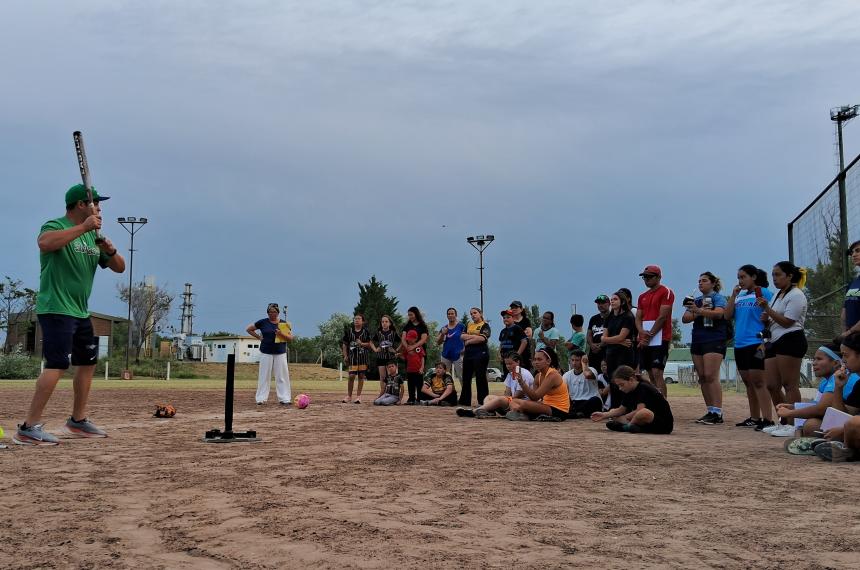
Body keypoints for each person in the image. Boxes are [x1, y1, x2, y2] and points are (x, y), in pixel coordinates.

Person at [14, 185, 126, 446]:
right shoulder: (55, 225)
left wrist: (109, 250)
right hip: (56, 308)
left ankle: (78, 420)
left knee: (87, 363)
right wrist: (83, 228)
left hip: (80, 311)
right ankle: (28, 427)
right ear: (80, 205)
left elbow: (120, 268)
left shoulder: (94, 237)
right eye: (95, 203)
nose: (99, 208)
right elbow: (45, 243)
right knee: (57, 365)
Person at [757, 261, 808, 437]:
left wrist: (767, 309)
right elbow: (774, 318)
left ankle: (795, 424)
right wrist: (766, 317)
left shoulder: (796, 295)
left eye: (778, 275)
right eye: (773, 275)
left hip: (791, 339)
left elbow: (787, 321)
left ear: (790, 276)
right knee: (772, 385)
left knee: (790, 384)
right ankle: (783, 421)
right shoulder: (778, 295)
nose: (774, 278)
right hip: (774, 340)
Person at [724, 265, 774, 429]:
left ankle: (768, 419)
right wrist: (733, 295)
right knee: (748, 382)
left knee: (759, 382)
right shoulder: (740, 296)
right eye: (738, 277)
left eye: (743, 277)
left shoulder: (764, 292)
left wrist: (765, 333)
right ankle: (754, 417)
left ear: (753, 277)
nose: (740, 280)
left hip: (756, 343)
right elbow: (727, 315)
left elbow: (772, 314)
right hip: (740, 344)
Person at [777, 344, 857, 436]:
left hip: (849, 423)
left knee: (811, 425)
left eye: (819, 359)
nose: (814, 363)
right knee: (808, 425)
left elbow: (821, 409)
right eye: (814, 359)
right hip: (844, 420)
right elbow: (818, 405)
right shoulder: (826, 381)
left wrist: (790, 413)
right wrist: (794, 407)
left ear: (835, 363)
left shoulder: (842, 377)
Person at [682, 272, 729, 425]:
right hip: (698, 339)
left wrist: (699, 310)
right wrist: (696, 310)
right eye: (699, 281)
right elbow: (685, 318)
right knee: (702, 377)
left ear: (713, 283)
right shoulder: (696, 300)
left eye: (704, 281)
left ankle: (718, 412)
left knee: (710, 375)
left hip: (714, 339)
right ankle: (710, 410)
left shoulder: (717, 298)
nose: (700, 283)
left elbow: (719, 313)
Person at [591, 365, 674, 434]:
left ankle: (628, 426)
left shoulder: (643, 388)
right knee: (613, 411)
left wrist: (623, 418)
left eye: (622, 385)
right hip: (645, 423)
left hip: (661, 424)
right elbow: (621, 409)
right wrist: (604, 415)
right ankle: (633, 427)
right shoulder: (629, 391)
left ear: (631, 380)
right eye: (618, 386)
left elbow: (639, 410)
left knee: (643, 412)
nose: (620, 388)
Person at [636, 265, 675, 397]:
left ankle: (663, 405)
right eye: (644, 277)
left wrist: (649, 335)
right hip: (646, 338)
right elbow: (638, 317)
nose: (646, 279)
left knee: (657, 372)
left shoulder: (666, 292)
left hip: (661, 337)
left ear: (658, 277)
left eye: (649, 276)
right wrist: (641, 332)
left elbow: (662, 316)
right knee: (650, 373)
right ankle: (655, 402)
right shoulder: (642, 296)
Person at [457, 352, 534, 418]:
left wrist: (503, 399)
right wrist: (504, 399)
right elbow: (507, 392)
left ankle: (474, 412)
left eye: (510, 364)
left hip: (521, 402)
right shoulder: (510, 374)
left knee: (500, 399)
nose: (508, 366)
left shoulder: (524, 374)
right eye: (506, 364)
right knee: (489, 397)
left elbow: (519, 395)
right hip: (513, 401)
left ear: (518, 362)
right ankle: (489, 411)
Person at [247, 303, 293, 406]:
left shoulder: (284, 323)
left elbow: (290, 338)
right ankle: (261, 398)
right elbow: (249, 329)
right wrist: (259, 337)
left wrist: (281, 334)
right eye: (271, 312)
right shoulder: (262, 322)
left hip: (280, 353)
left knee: (281, 376)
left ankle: (285, 398)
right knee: (264, 376)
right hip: (265, 352)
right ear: (267, 312)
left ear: (278, 313)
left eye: (275, 312)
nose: (273, 314)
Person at [506, 347, 570, 421]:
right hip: (546, 405)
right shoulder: (537, 376)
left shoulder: (553, 375)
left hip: (558, 410)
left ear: (548, 361)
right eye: (535, 359)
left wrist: (521, 382)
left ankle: (522, 414)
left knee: (523, 404)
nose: (536, 362)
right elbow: (534, 398)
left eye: (539, 359)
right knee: (514, 401)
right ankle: (523, 414)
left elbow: (535, 397)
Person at [602, 291, 636, 413]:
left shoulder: (628, 316)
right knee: (613, 382)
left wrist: (616, 340)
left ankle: (626, 409)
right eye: (611, 299)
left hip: (624, 355)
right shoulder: (609, 317)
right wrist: (619, 341)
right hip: (611, 354)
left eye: (615, 299)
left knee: (625, 381)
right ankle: (615, 409)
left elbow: (622, 336)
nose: (612, 301)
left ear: (622, 302)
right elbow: (603, 338)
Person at [459, 307, 491, 406]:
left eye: (475, 313)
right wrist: (474, 337)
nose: (473, 315)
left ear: (480, 313)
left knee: (480, 378)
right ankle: (465, 401)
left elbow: (482, 338)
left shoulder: (485, 325)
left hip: (481, 353)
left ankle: (483, 402)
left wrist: (468, 341)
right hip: (469, 354)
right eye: (471, 313)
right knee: (466, 378)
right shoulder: (469, 324)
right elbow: (462, 336)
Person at [341, 314, 372, 404]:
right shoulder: (349, 331)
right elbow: (344, 344)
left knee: (361, 376)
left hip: (363, 358)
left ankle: (358, 396)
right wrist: (345, 355)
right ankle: (349, 396)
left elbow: (370, 344)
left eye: (359, 319)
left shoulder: (366, 332)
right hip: (352, 358)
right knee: (351, 376)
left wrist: (361, 343)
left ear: (363, 321)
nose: (356, 320)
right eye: (355, 319)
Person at [401, 306, 429, 404]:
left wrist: (413, 347)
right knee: (410, 378)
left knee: (419, 378)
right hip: (409, 354)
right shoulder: (407, 325)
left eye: (411, 314)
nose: (410, 316)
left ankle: (420, 398)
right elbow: (403, 338)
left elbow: (423, 339)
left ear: (416, 314)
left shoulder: (422, 326)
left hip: (419, 352)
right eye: (408, 315)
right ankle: (411, 398)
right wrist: (407, 348)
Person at [564, 351, 603, 419]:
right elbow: (565, 392)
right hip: (575, 403)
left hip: (589, 401)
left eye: (577, 360)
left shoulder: (592, 370)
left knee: (595, 400)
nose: (574, 363)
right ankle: (577, 413)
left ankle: (576, 413)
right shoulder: (566, 375)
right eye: (572, 360)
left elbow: (587, 375)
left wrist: (584, 363)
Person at [371, 315, 401, 398]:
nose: (384, 323)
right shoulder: (378, 333)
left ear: (390, 323)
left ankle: (393, 394)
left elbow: (402, 342)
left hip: (391, 358)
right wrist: (375, 349)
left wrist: (396, 350)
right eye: (382, 322)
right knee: (382, 377)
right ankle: (383, 392)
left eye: (386, 321)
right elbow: (370, 342)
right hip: (381, 357)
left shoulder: (393, 333)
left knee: (392, 376)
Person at [437, 308, 465, 383]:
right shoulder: (444, 328)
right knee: (444, 376)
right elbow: (438, 342)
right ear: (447, 316)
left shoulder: (461, 326)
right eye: (449, 314)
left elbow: (467, 338)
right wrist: (443, 334)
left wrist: (464, 349)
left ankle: (465, 394)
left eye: (452, 313)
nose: (450, 315)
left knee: (461, 376)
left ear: (456, 315)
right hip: (446, 355)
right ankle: (446, 393)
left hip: (458, 355)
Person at [587, 295, 611, 371]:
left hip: (607, 351)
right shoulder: (594, 318)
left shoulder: (613, 317)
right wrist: (591, 344)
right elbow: (589, 334)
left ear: (609, 303)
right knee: (594, 374)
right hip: (594, 352)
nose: (600, 305)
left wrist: (600, 345)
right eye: (598, 303)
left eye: (603, 303)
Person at [842, 240, 860, 336]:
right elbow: (844, 310)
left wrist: (849, 333)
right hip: (850, 335)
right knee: (822, 351)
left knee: (846, 349)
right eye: (852, 252)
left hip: (855, 334)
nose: (853, 255)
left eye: (858, 251)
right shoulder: (853, 283)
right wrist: (844, 333)